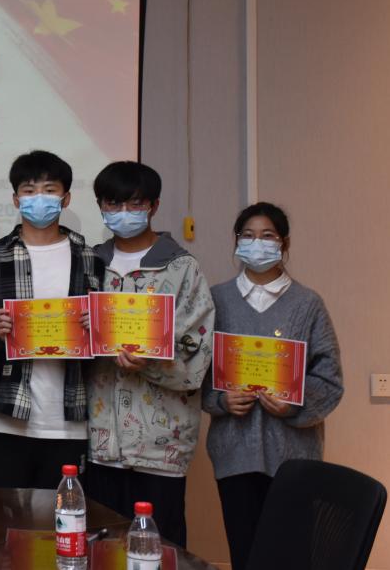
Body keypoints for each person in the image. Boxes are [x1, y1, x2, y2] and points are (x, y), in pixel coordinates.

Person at [202, 202, 343, 570]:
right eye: (248, 236)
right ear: (236, 241)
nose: (257, 243)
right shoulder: (216, 300)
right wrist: (221, 400)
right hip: (234, 455)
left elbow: (330, 379)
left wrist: (295, 405)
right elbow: (196, 373)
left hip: (294, 456)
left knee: (293, 557)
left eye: (267, 236)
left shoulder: (308, 304)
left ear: (284, 243)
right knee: (245, 555)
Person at [84, 161, 214, 548]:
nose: (123, 212)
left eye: (135, 203)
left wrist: (152, 364)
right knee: (102, 550)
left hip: (161, 445)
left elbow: (198, 355)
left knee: (159, 549)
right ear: (100, 206)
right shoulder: (89, 264)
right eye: (113, 203)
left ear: (154, 206)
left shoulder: (182, 269)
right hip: (99, 442)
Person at [0, 151, 104, 488]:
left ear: (66, 198)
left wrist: (98, 328)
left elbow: (107, 334)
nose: (39, 199)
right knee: (0, 518)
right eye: (29, 190)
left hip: (68, 422)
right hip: (6, 418)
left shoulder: (90, 257)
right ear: (16, 199)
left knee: (63, 517)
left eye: (49, 190)